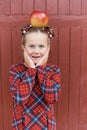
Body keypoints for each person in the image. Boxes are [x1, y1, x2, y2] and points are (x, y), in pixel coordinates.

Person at [9, 23, 61, 130]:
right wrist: (31, 71)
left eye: (41, 46)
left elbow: (52, 98)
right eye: (31, 46)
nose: (36, 51)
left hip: (45, 125)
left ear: (48, 48)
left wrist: (41, 69)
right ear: (23, 47)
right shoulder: (16, 70)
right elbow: (20, 98)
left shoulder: (53, 71)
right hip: (22, 124)